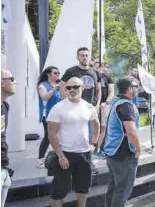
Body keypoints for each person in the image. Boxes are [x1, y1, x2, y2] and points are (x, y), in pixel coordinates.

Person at [47, 77, 100, 207]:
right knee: (58, 191)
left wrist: (93, 144)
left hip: (84, 154)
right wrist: (60, 156)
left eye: (75, 87)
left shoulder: (88, 107)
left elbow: (96, 125)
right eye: (69, 87)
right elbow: (52, 134)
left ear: (82, 88)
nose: (72, 90)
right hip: (65, 154)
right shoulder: (58, 108)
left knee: (83, 188)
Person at [102, 77, 141, 207]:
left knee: (114, 187)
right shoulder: (125, 105)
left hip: (113, 151)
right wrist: (138, 149)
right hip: (123, 153)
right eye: (135, 86)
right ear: (130, 89)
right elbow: (131, 132)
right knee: (123, 189)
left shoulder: (117, 101)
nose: (137, 88)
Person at [37, 66, 62, 168]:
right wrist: (55, 88)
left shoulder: (58, 84)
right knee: (48, 137)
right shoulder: (43, 85)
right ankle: (40, 158)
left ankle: (59, 156)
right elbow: (44, 96)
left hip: (59, 115)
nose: (57, 75)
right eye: (55, 73)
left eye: (58, 73)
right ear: (49, 74)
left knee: (59, 136)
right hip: (47, 115)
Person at [1, 69, 16, 207]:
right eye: (12, 79)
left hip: (3, 166)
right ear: (2, 83)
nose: (15, 82)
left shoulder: (5, 106)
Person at [97, 65, 114, 155]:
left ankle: (100, 149)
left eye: (107, 66)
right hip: (93, 106)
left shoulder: (108, 78)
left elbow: (111, 92)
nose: (105, 68)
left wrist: (106, 103)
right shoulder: (93, 76)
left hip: (104, 106)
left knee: (104, 128)